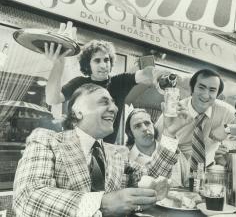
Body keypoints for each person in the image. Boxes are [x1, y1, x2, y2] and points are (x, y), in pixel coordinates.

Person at [13, 83, 189, 217]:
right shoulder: (46, 139)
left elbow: (149, 177)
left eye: (113, 102)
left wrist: (169, 133)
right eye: (104, 102)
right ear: (78, 111)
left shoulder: (117, 154)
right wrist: (102, 203)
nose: (114, 108)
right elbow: (27, 197)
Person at [45, 39, 155, 143]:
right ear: (88, 64)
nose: (103, 65)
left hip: (104, 149)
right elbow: (52, 99)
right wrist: (57, 65)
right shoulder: (78, 83)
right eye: (97, 61)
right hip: (76, 144)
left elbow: (144, 74)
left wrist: (159, 76)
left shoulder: (120, 82)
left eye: (106, 60)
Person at [156, 68, 236, 186]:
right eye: (201, 87)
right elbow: (159, 150)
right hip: (176, 175)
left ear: (217, 95)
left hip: (209, 177)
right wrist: (170, 131)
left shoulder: (227, 113)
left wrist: (228, 129)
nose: (205, 95)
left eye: (212, 90)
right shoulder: (172, 114)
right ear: (192, 89)